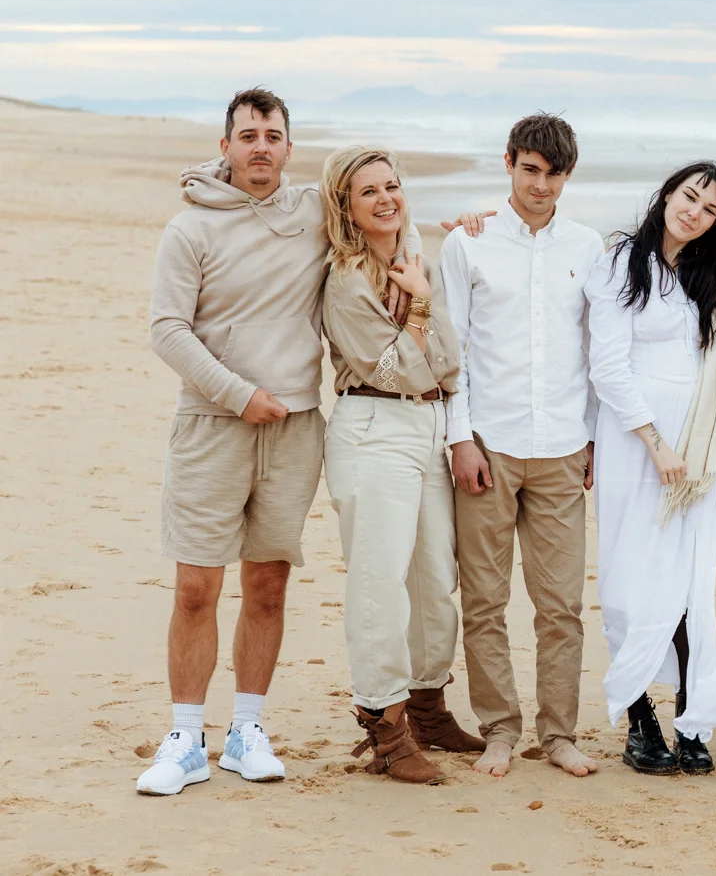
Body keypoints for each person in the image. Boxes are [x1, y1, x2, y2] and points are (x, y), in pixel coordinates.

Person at [138, 89, 487, 796]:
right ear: (226, 145)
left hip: (298, 427)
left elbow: (387, 222)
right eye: (247, 135)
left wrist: (481, 225)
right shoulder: (190, 229)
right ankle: (183, 737)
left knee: (269, 583)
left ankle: (247, 729)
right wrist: (239, 393)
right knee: (197, 584)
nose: (260, 146)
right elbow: (167, 330)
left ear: (289, 148)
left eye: (272, 135)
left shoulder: (310, 216)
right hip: (215, 422)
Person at [439, 114, 605, 779]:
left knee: (560, 603)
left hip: (563, 444)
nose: (540, 185)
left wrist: (591, 434)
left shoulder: (589, 245)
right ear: (509, 162)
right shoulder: (468, 244)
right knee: (483, 599)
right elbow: (452, 348)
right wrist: (460, 438)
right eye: (530, 169)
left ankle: (558, 732)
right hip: (489, 443)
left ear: (568, 175)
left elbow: (597, 347)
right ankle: (500, 728)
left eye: (553, 173)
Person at [319, 146, 481, 784]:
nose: (387, 198)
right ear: (347, 207)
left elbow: (448, 360)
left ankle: (428, 704)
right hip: (371, 428)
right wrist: (419, 309)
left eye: (392, 186)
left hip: (428, 427)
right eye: (369, 192)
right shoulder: (346, 280)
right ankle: (385, 727)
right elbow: (391, 367)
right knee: (378, 585)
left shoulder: (415, 259)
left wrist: (422, 307)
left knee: (435, 578)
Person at [586, 161, 716, 776]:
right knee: (631, 580)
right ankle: (639, 721)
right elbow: (609, 366)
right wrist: (655, 443)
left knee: (690, 587)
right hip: (636, 445)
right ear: (667, 195)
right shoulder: (621, 262)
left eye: (709, 209)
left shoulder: (712, 273)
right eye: (689, 197)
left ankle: (690, 717)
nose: (695, 212)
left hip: (701, 448)